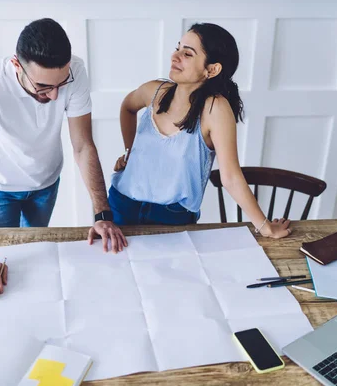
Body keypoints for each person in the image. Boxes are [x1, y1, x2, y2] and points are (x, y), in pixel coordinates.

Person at [0, 18, 127, 301]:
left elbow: (83, 145)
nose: (54, 95)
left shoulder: (75, 71)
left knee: (35, 252)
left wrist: (103, 214)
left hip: (47, 182)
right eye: (43, 86)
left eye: (60, 84)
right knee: (0, 264)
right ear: (17, 66)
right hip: (2, 188)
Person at [109, 22, 291, 239]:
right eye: (178, 48)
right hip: (121, 204)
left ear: (212, 69)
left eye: (187, 53)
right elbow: (127, 107)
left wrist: (265, 227)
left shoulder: (216, 109)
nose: (175, 56)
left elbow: (231, 177)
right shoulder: (153, 91)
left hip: (172, 217)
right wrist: (129, 152)